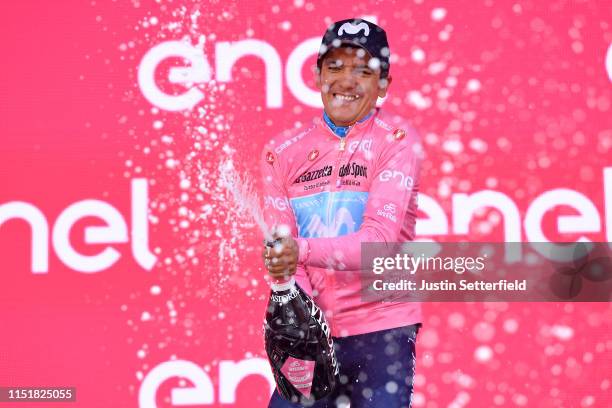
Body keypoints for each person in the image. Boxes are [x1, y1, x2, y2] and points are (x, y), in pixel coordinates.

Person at [261, 18, 423, 408]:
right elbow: (282, 255)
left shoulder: (397, 139)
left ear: (383, 84)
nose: (346, 81)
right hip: (313, 330)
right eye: (334, 67)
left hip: (382, 328)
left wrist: (295, 252)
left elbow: (378, 244)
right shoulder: (281, 152)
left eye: (363, 70)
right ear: (317, 75)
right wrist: (292, 305)